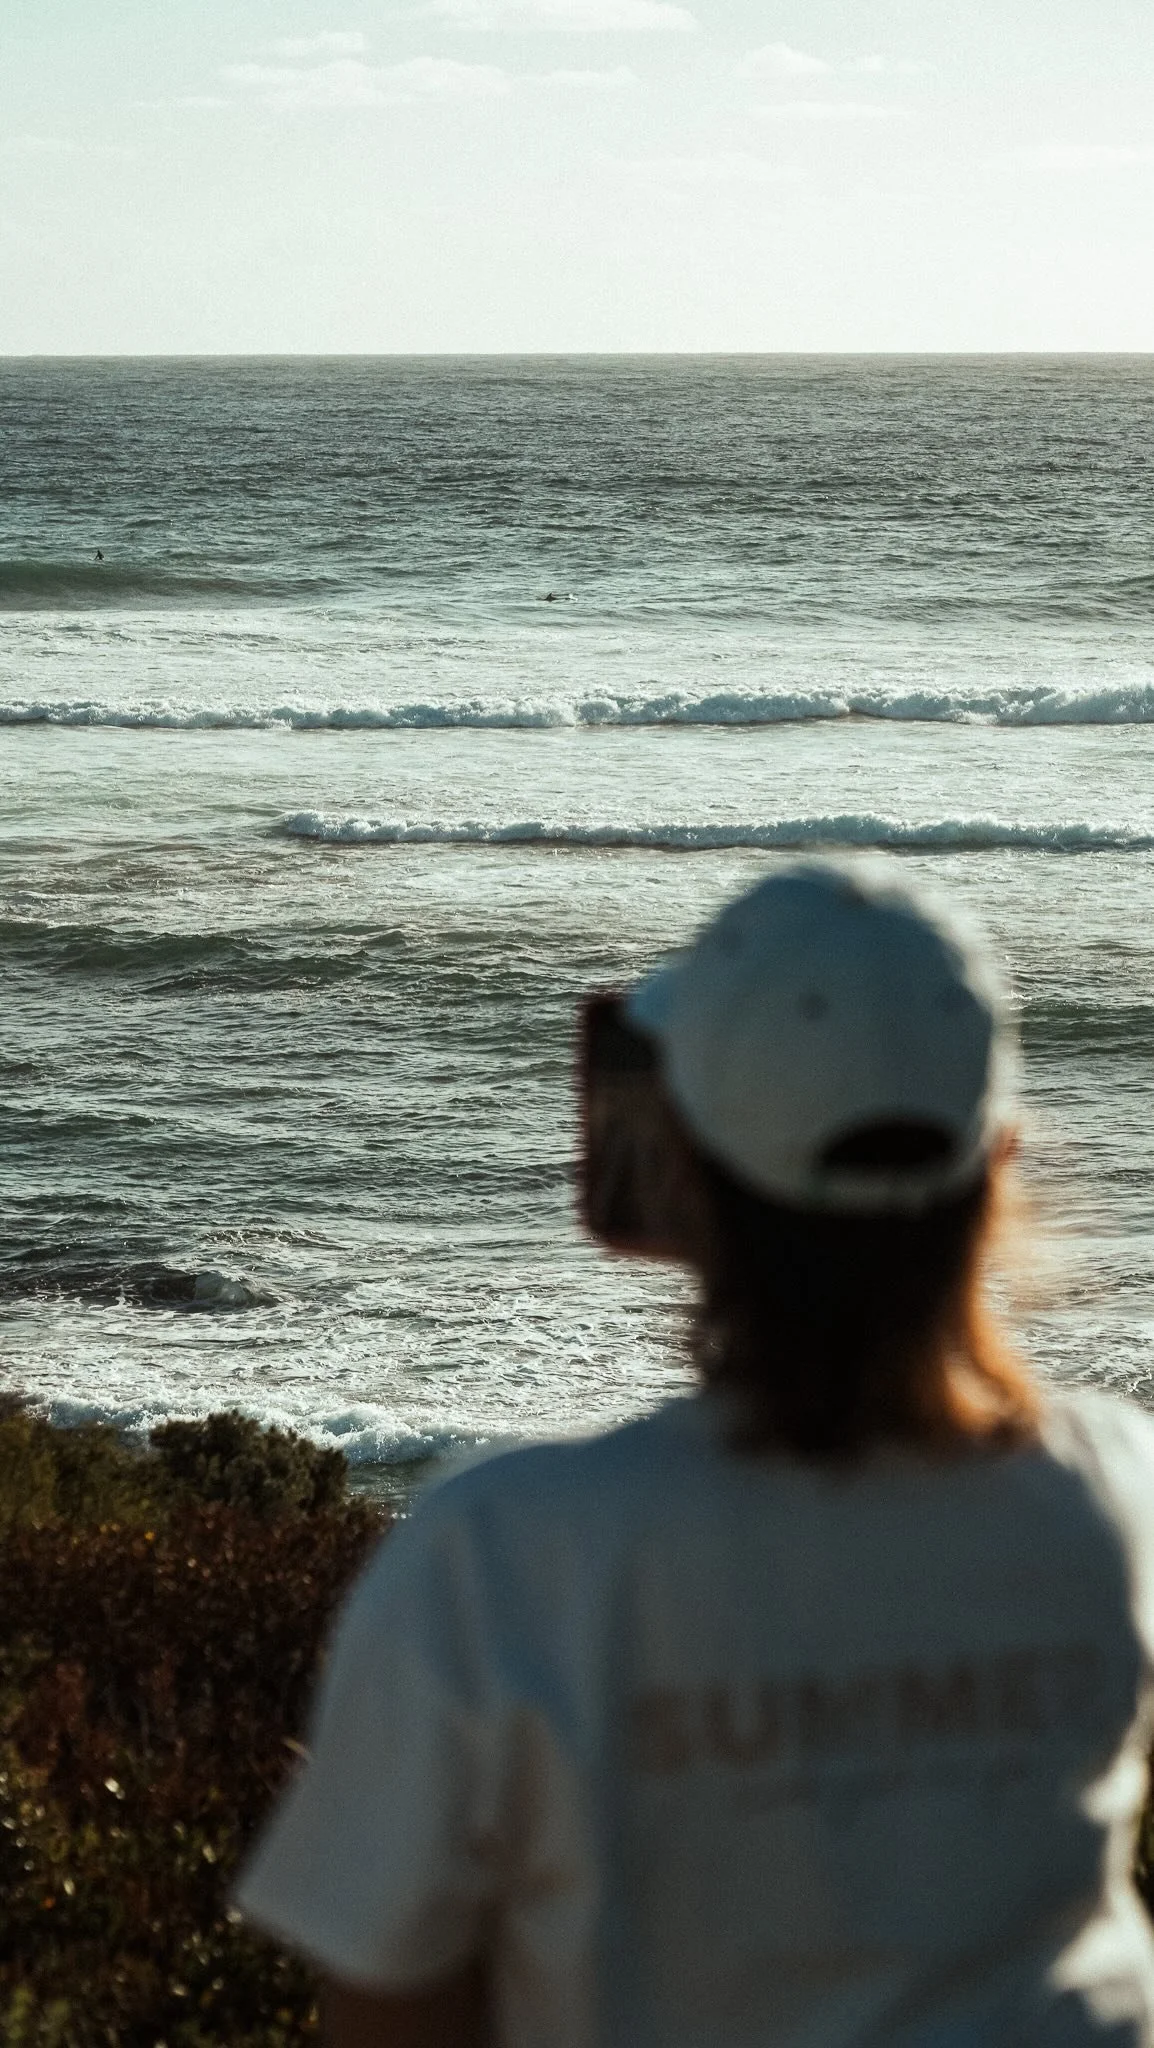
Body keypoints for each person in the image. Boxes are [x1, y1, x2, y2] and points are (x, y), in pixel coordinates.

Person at [236, 860, 1154, 2048]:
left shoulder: (504, 1562)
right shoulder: (1114, 1493)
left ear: (676, 1168)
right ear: (997, 1163)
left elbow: (393, 2013)